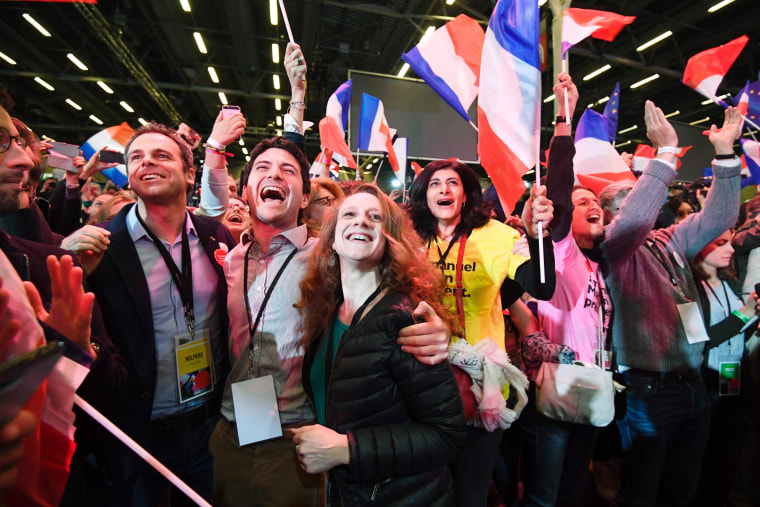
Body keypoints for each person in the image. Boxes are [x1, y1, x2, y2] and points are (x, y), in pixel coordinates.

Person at [210, 135, 453, 506]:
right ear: (244, 191)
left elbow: (443, 428)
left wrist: (440, 331)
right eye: (262, 168)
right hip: (235, 425)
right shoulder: (231, 259)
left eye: (288, 170)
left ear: (306, 199)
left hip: (300, 435)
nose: (274, 173)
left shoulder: (320, 260)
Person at [67, 121, 237, 505]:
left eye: (161, 155)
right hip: (136, 434)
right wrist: (69, 267)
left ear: (190, 173)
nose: (147, 163)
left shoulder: (216, 237)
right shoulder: (102, 245)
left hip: (209, 427)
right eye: (137, 158)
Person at [598, 102, 742, 506]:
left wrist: (726, 154)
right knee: (643, 491)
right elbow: (633, 220)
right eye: (630, 196)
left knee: (683, 489)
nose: (649, 199)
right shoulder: (613, 250)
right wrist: (663, 156)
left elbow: (721, 215)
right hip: (648, 389)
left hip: (692, 385)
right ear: (612, 213)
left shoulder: (669, 241)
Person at [293, 184, 466, 505]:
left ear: (391, 242)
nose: (362, 221)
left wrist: (346, 449)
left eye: (376, 217)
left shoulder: (406, 319)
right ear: (330, 239)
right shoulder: (328, 311)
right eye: (350, 214)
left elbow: (447, 435)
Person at [407, 157, 555, 506]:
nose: (444, 189)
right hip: (419, 378)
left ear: (466, 194)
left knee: (470, 491)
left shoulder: (498, 235)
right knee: (424, 489)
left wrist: (537, 238)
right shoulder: (408, 237)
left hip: (479, 382)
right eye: (434, 184)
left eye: (453, 183)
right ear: (423, 195)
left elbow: (542, 287)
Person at [517, 72, 611, 507]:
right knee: (543, 498)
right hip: (555, 390)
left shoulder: (597, 266)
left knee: (573, 492)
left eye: (596, 200)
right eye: (581, 202)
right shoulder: (564, 252)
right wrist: (563, 120)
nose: (593, 204)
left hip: (592, 388)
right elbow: (557, 187)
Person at [691, 229, 759, 506]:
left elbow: (735, 330)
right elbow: (700, 339)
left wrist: (751, 318)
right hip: (706, 382)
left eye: (730, 242)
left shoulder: (730, 282)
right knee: (705, 456)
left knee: (728, 452)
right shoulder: (690, 286)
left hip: (731, 377)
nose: (730, 249)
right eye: (720, 243)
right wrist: (745, 313)